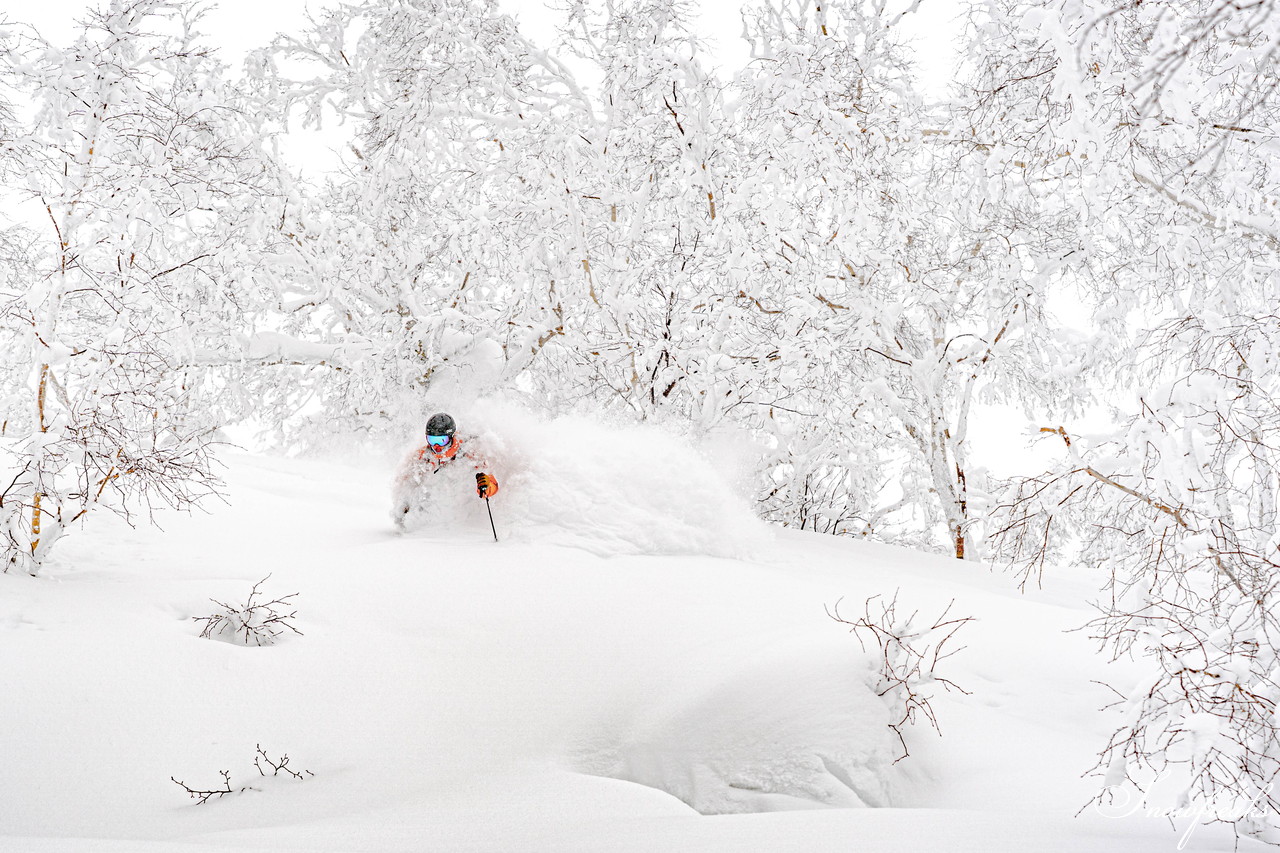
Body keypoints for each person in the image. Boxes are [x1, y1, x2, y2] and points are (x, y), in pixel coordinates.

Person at [392, 412, 500, 530]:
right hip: (433, 517)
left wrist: (486, 486)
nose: (437, 446)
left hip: (463, 515)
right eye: (432, 440)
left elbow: (491, 483)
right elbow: (406, 484)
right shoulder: (423, 456)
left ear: (451, 437)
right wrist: (403, 507)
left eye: (442, 440)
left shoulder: (469, 451)